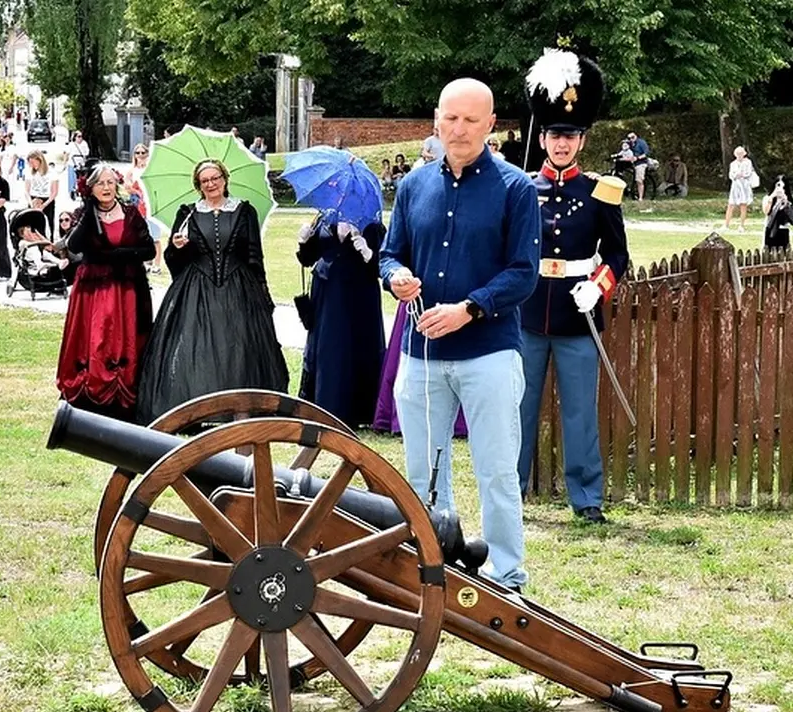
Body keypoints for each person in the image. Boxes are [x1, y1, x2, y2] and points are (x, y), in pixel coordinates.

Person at [379, 77, 540, 593]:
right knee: (424, 472)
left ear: (491, 125)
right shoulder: (412, 186)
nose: (460, 129)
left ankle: (507, 573)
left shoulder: (516, 188)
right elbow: (389, 253)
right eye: (451, 118)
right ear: (436, 119)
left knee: (495, 469)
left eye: (472, 120)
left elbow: (524, 272)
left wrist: (470, 308)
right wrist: (395, 276)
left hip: (488, 353)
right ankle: (435, 565)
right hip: (421, 353)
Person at [518, 51, 630, 527]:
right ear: (541, 138)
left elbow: (619, 255)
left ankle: (587, 498)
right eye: (553, 135)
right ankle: (511, 488)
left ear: (581, 140)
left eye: (570, 136)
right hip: (527, 315)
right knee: (516, 409)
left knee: (581, 414)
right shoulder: (521, 188)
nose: (561, 144)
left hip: (578, 319)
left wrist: (599, 285)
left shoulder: (599, 192)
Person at [136, 159, 288, 423]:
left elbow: (255, 254)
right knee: (196, 347)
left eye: (215, 178)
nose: (211, 184)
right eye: (205, 180)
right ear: (198, 185)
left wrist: (262, 292)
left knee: (239, 347)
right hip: (196, 289)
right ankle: (194, 410)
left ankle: (241, 408)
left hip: (239, 289)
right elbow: (174, 259)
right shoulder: (188, 213)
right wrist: (177, 246)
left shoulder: (244, 211)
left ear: (224, 179)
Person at [57, 166, 156, 419]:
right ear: (90, 188)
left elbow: (148, 250)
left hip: (127, 289)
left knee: (125, 339)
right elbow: (73, 246)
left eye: (110, 182)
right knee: (96, 336)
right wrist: (90, 213)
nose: (106, 187)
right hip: (94, 289)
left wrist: (120, 255)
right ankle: (91, 387)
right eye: (100, 183)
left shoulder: (131, 214)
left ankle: (124, 389)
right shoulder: (84, 214)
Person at [296, 210, 386, 428]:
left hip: (359, 296)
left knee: (357, 347)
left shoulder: (372, 224)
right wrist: (304, 242)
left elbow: (384, 265)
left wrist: (367, 252)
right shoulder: (324, 219)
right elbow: (308, 259)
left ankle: (359, 412)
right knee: (328, 347)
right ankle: (324, 407)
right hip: (326, 293)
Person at [124, 143, 165, 272]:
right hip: (137, 205)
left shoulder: (152, 169)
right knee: (140, 235)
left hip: (151, 205)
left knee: (155, 237)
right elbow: (127, 187)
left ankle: (157, 264)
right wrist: (136, 191)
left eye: (143, 152)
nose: (140, 155)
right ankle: (146, 261)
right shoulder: (131, 171)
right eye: (138, 153)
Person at [762, 175, 793, 251]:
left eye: (782, 187)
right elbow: (766, 211)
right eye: (778, 185)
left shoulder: (788, 201)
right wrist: (772, 197)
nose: (780, 189)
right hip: (770, 230)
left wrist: (786, 202)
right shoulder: (768, 198)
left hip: (783, 230)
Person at [725, 146, 755, 231]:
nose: (739, 155)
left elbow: (749, 173)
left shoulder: (748, 162)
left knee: (743, 205)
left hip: (744, 185)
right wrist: (736, 175)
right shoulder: (733, 164)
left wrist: (742, 175)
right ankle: (726, 225)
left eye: (741, 153)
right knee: (731, 205)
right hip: (735, 185)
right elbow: (731, 175)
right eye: (737, 153)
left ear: (744, 154)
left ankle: (741, 226)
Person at [26, 149, 57, 228]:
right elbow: (26, 190)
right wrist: (31, 203)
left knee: (48, 224)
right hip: (33, 199)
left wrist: (44, 205)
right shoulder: (29, 172)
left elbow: (54, 191)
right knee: (32, 225)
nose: (31, 165)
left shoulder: (52, 172)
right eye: (30, 163)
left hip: (47, 200)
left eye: (33, 162)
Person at [625, 131, 650, 201]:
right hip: (633, 163)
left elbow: (646, 153)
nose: (631, 139)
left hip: (641, 163)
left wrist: (638, 158)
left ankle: (640, 198)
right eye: (629, 138)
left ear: (636, 136)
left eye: (632, 137)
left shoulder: (641, 143)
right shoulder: (629, 144)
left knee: (639, 180)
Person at [67, 131, 89, 200]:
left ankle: (82, 188)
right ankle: (72, 190)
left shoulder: (84, 144)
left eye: (81, 136)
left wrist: (84, 156)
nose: (80, 138)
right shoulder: (71, 145)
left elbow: (87, 152)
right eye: (79, 136)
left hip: (81, 163)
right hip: (72, 163)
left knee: (82, 177)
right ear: (75, 137)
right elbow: (67, 153)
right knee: (72, 177)